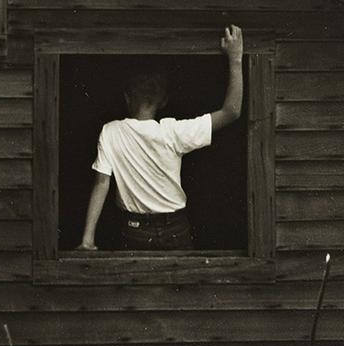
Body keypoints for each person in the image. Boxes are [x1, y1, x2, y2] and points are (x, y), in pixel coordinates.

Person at [76, 25, 244, 251]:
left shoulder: (111, 131)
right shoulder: (173, 131)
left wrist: (87, 240)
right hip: (175, 229)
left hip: (133, 229)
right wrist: (235, 59)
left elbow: (101, 183)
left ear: (126, 97)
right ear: (164, 101)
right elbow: (231, 111)